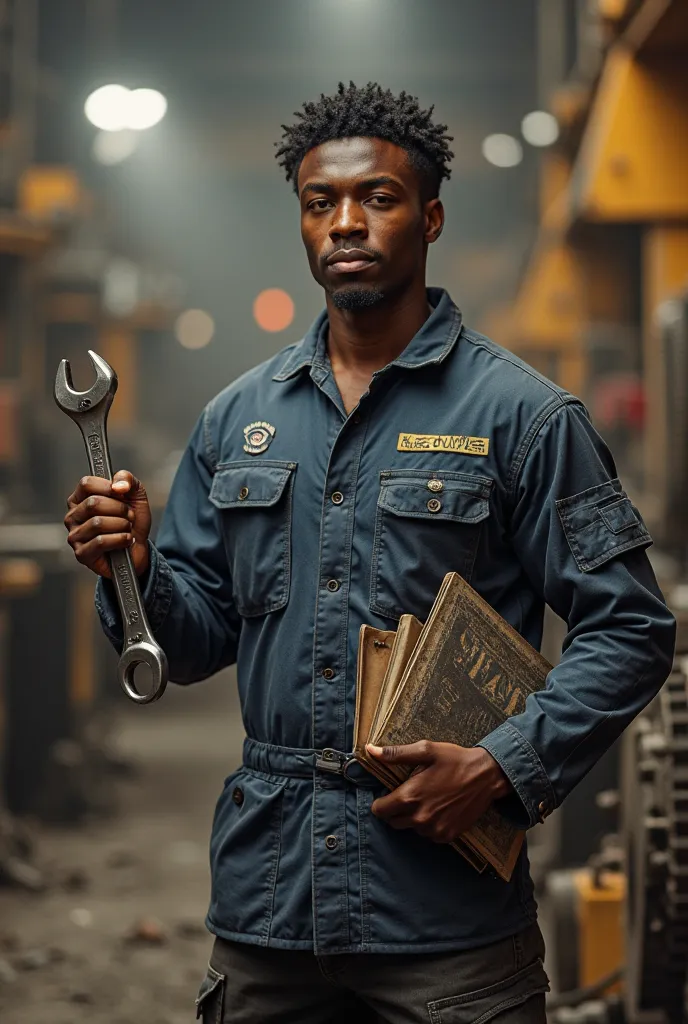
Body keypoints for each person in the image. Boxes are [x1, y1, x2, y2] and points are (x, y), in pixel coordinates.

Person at [64, 83, 676, 1023]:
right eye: (321, 203)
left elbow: (630, 626)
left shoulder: (526, 418)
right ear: (303, 220)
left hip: (448, 927)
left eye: (378, 199)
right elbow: (190, 643)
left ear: (428, 217)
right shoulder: (239, 420)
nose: (346, 223)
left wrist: (504, 766)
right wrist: (135, 571)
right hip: (271, 913)